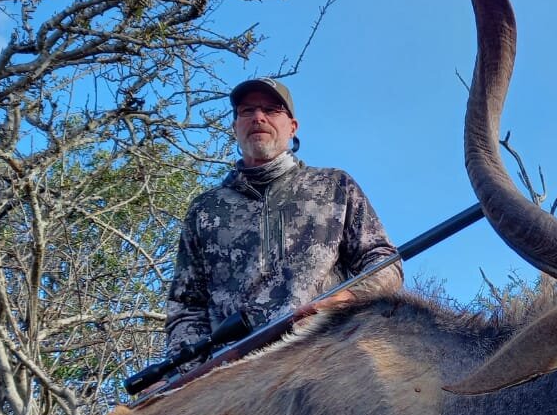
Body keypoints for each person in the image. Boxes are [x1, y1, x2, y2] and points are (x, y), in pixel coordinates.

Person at [164, 77, 401, 365]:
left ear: (292, 127)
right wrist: (184, 374)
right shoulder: (205, 209)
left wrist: (346, 298)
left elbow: (384, 263)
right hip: (231, 374)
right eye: (247, 111)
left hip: (326, 356)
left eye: (272, 109)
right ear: (235, 127)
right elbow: (186, 305)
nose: (258, 117)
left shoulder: (335, 185)